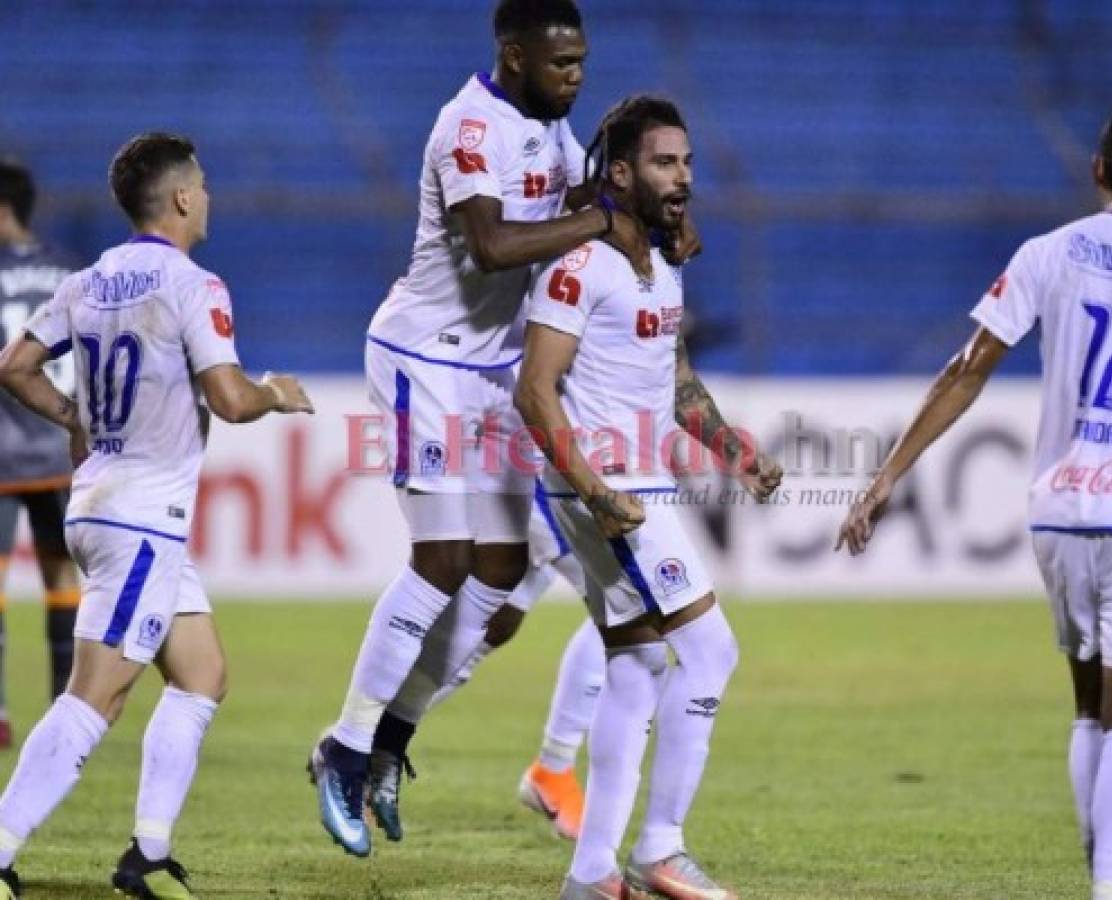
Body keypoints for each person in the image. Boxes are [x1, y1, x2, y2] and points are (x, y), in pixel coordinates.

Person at [307, 0, 664, 857]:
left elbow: (574, 210)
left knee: (500, 573)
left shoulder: (551, 124)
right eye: (560, 64)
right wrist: (599, 221)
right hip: (424, 359)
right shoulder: (470, 125)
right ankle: (343, 748)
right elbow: (493, 245)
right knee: (442, 561)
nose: (575, 76)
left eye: (581, 61)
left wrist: (631, 202)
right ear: (513, 55)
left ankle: (391, 741)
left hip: (494, 373)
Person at [836, 106, 1112, 900]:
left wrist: (887, 475)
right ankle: (1109, 893)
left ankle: (1100, 878)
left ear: (1097, 168)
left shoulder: (1048, 253)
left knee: (1089, 708)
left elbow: (966, 367)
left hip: (1063, 510)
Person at [0, 132, 312, 900]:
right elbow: (232, 399)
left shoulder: (90, 278)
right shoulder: (193, 284)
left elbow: (13, 366)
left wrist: (74, 415)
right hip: (141, 516)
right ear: (179, 197)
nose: (206, 195)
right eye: (200, 184)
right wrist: (277, 391)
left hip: (109, 504)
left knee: (201, 676)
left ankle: (146, 857)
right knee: (95, 695)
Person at [517, 95, 782, 900]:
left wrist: (730, 447)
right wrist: (593, 491)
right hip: (609, 489)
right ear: (622, 172)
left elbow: (673, 383)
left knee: (633, 662)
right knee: (711, 651)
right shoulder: (578, 265)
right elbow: (535, 391)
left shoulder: (660, 265)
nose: (683, 177)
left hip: (634, 485)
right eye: (665, 162)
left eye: (689, 162)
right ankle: (660, 846)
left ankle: (591, 871)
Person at [382, 479, 605, 842]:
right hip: (541, 467)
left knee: (492, 625)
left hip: (551, 468)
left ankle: (360, 741)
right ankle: (554, 767)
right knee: (622, 603)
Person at [0, 160, 82, 747]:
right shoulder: (68, 273)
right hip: (57, 449)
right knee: (62, 576)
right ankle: (63, 711)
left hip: (1, 457)